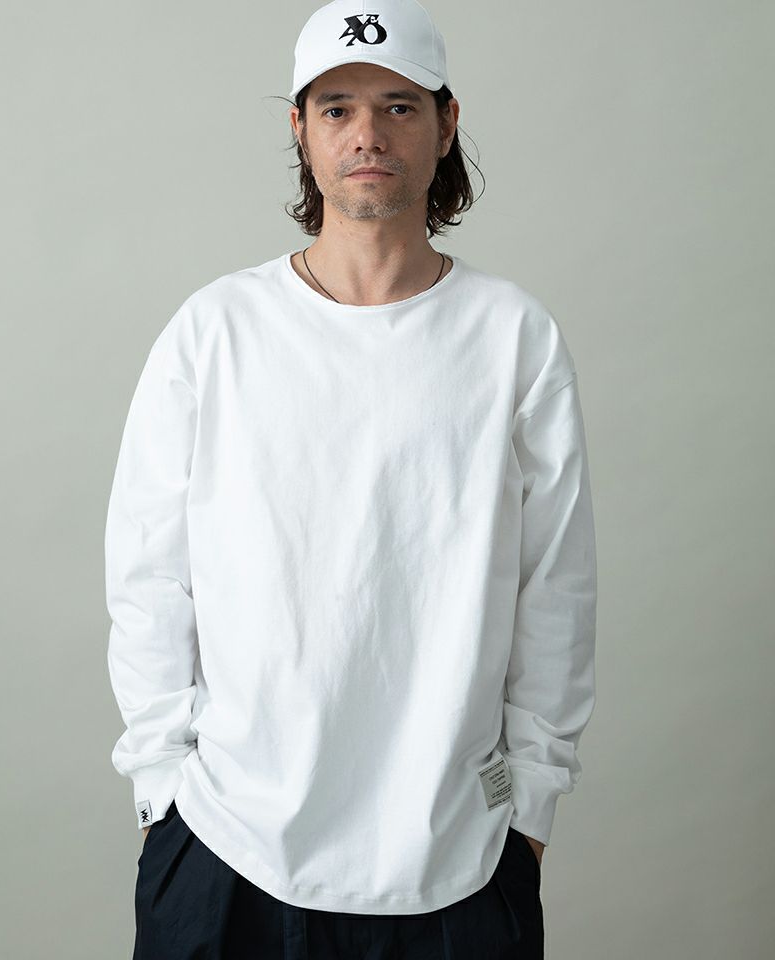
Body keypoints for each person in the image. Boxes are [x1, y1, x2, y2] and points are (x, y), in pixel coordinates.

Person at [104, 1, 598, 957]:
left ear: (446, 124)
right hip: (227, 848)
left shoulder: (513, 337)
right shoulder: (216, 331)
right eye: (337, 108)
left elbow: (557, 586)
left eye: (398, 106)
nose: (367, 134)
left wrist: (530, 805)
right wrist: (163, 788)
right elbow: (148, 573)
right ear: (300, 128)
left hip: (457, 857)